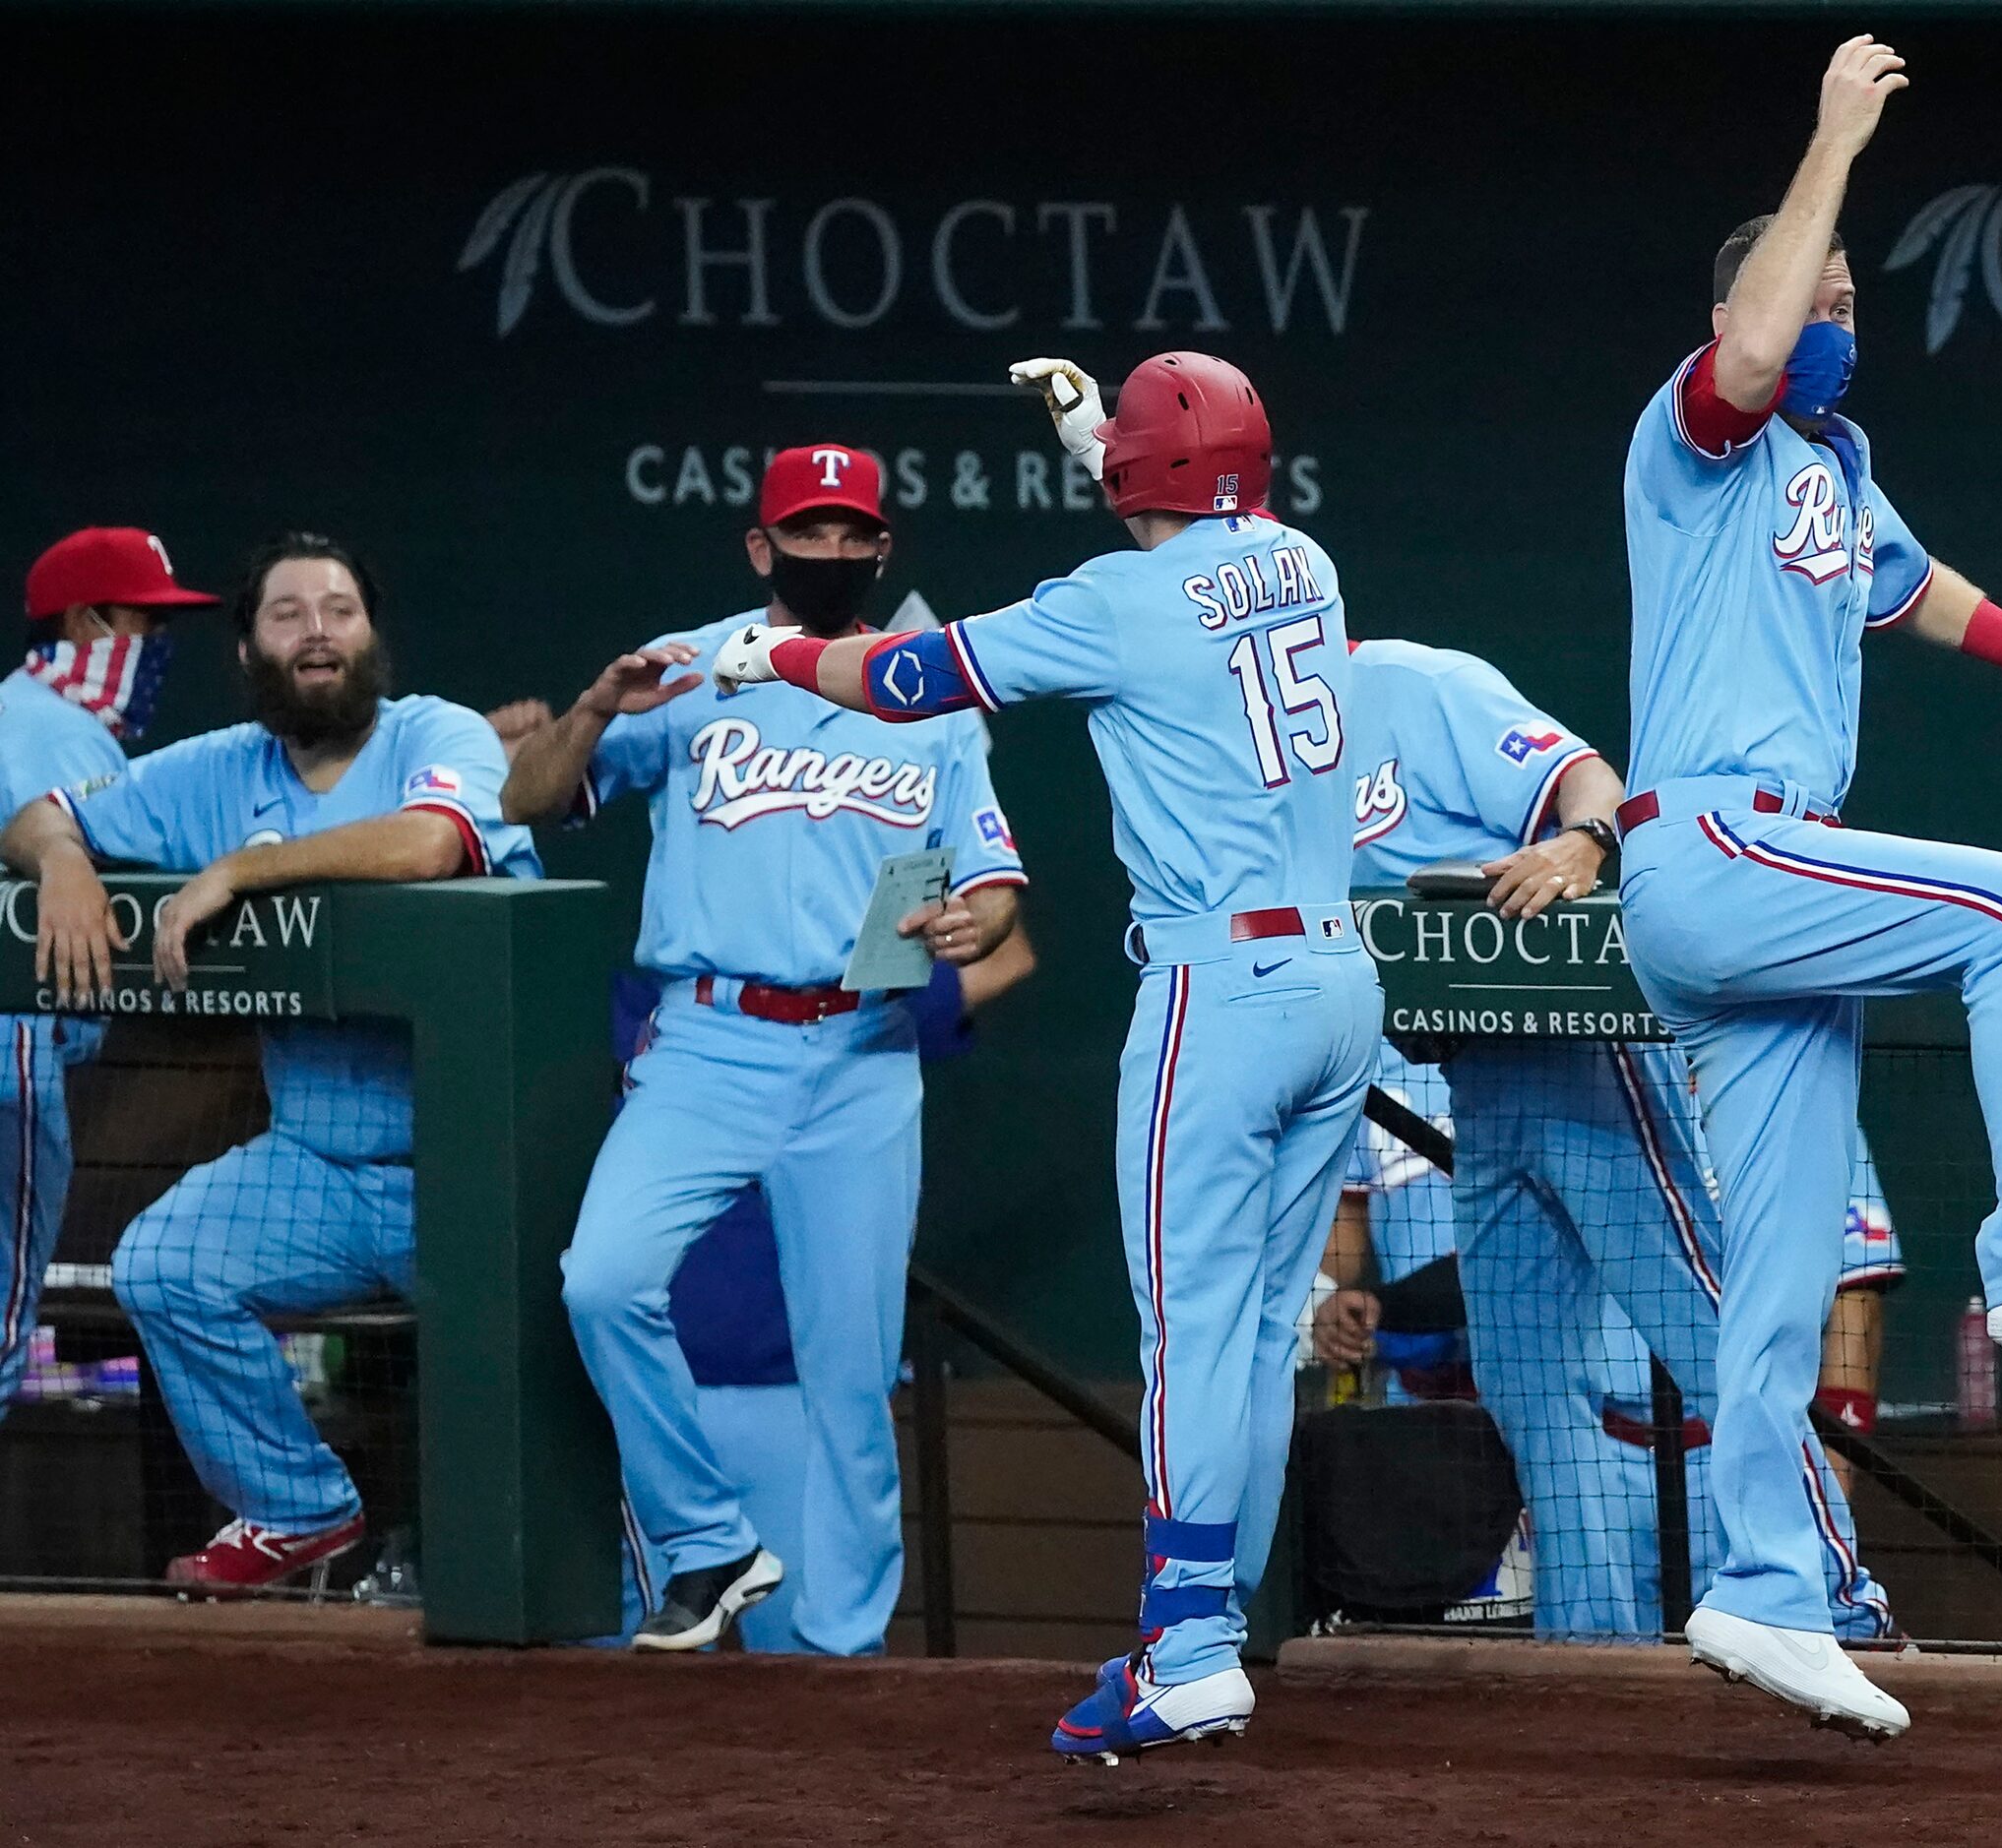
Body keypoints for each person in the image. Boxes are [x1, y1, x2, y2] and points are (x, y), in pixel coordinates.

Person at [1612, 35, 2002, 1737]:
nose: (1845, 317)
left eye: (1861, 299)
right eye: (1832, 294)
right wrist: (1828, 146)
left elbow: (1913, 586)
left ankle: (1758, 1589)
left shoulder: (1835, 466)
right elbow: (1743, 338)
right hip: (1718, 838)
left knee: (1781, 1270)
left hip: (1755, 901)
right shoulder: (1695, 437)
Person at [713, 351, 1376, 1761]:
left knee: (1191, 1332)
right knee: (1258, 1335)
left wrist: (766, 651)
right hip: (1337, 976)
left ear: (1143, 477)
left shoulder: (1114, 600)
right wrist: (1100, 436)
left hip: (1222, 981)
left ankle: (1189, 1644)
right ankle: (1213, 1626)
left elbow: (901, 674)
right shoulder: (1301, 557)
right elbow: (1187, 547)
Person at [502, 447, 1027, 1655]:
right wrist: (590, 710)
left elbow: (996, 882)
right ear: (760, 547)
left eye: (854, 537)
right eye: (810, 533)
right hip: (708, 1039)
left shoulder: (929, 693)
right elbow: (527, 801)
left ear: (882, 551)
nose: (832, 554)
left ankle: (844, 1655)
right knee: (604, 1277)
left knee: (850, 1374)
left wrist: (972, 922)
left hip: (861, 1050)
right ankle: (705, 1542)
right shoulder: (685, 667)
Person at [0, 532, 541, 1591]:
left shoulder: (437, 731)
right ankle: (297, 1509)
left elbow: (430, 843)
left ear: (372, 635)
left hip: (478, 1165)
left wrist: (249, 867)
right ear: (248, 652)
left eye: (339, 610)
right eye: (288, 615)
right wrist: (64, 860)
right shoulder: (218, 769)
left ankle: (612, 1601)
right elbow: (41, 815)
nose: (318, 633)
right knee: (162, 1265)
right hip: (319, 1170)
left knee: (550, 1379)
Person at [1340, 636, 1901, 1640]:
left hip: (1577, 1047)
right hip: (1477, 1077)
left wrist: (1584, 842)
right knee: (1526, 1390)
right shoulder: (1247, 755)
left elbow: (1586, 777)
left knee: (1705, 1329)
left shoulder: (1414, 684)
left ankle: (1839, 1602)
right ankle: (1592, 1649)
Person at [611, 925, 1037, 1651]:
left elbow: (1008, 954)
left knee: (818, 1673)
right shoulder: (642, 998)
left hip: (797, 1396)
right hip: (665, 1394)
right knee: (648, 1675)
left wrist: (952, 900)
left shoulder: (843, 1006)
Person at [0, 528, 219, 1418]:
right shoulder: (57, 732)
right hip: (12, 1055)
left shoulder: (26, 710)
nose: (160, 648)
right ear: (90, 623)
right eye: (146, 622)